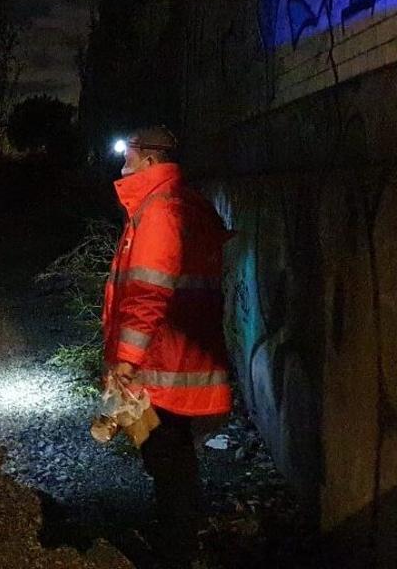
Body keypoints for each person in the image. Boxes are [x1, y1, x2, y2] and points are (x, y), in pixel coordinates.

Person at [103, 126, 232, 566]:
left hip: (162, 361)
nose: (123, 163)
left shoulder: (158, 211)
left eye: (129, 154)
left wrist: (126, 361)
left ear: (151, 161)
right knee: (173, 457)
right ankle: (179, 540)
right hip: (185, 356)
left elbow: (147, 293)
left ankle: (175, 553)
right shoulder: (188, 203)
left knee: (168, 459)